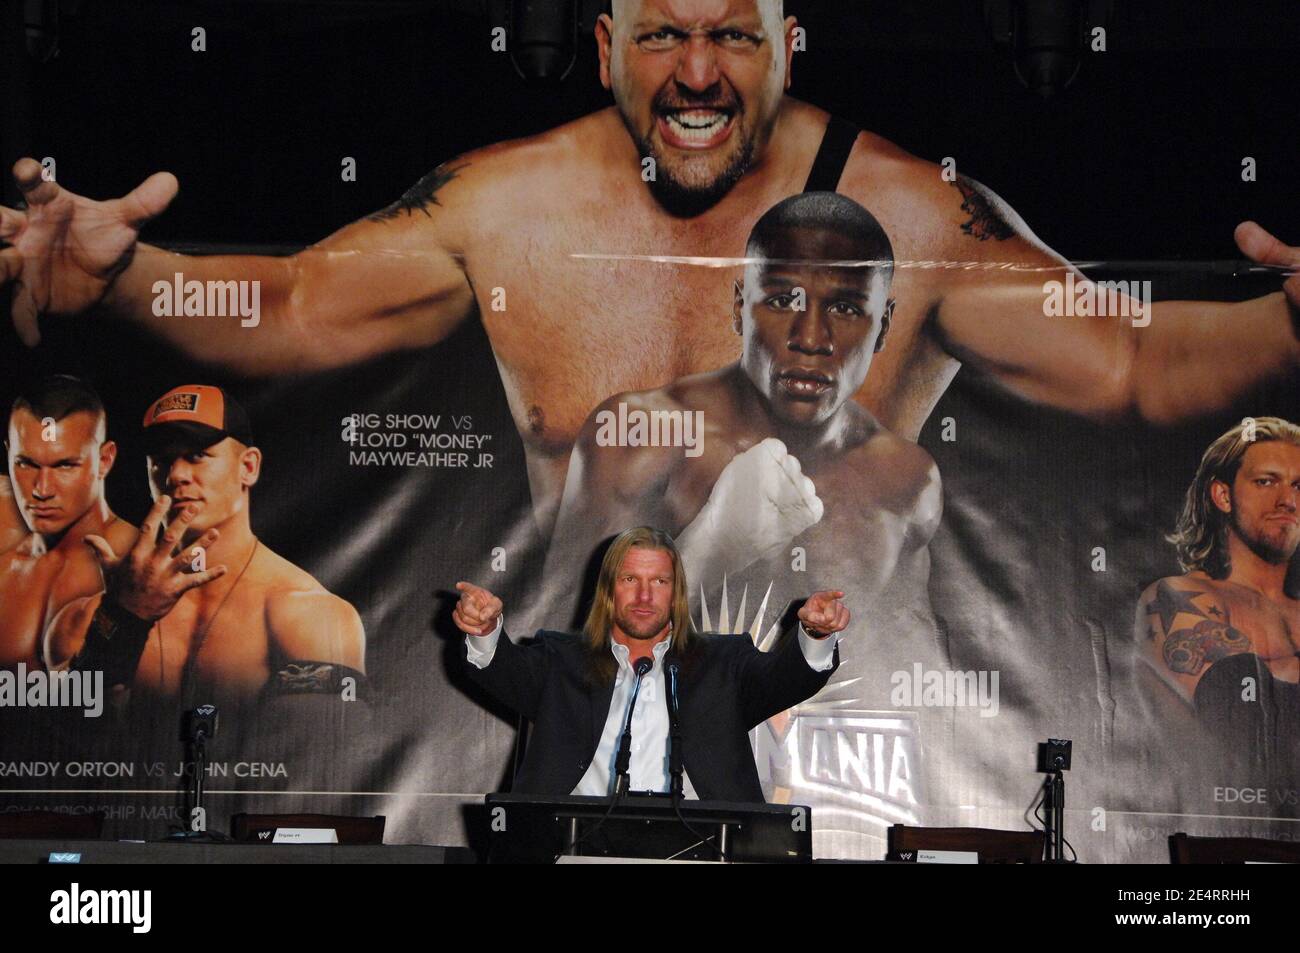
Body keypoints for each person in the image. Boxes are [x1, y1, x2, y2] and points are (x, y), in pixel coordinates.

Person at [2, 1, 1297, 538]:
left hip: (818, 765)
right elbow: (287, 310)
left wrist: (1290, 323)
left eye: (732, 34)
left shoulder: (910, 212)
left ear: (789, 41)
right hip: (568, 755)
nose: (695, 72)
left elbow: (1130, 361)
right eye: (666, 32)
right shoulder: (509, 204)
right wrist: (129, 282)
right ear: (611, 38)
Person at [453, 526, 849, 800]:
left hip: (700, 849)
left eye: (658, 582)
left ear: (675, 592)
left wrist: (815, 635)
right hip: (574, 848)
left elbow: (786, 680)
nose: (644, 597)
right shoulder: (559, 660)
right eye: (629, 580)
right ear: (608, 590)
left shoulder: (724, 664)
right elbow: (504, 670)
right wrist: (485, 630)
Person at [44, 384, 367, 712]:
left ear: (248, 467)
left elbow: (315, 752)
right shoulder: (87, 620)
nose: (176, 475)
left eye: (196, 455)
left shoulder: (309, 616)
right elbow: (58, 747)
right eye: (161, 460)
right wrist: (124, 620)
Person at [1136, 416, 1300, 786]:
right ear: (1223, 495)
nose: (1287, 500)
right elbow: (1235, 716)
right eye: (1266, 481)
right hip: (1221, 826)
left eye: (1298, 485)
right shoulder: (1180, 597)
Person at [1, 375, 136, 671]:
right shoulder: (6, 566)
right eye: (26, 463)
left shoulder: (138, 564)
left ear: (104, 460)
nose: (42, 489)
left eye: (64, 465)